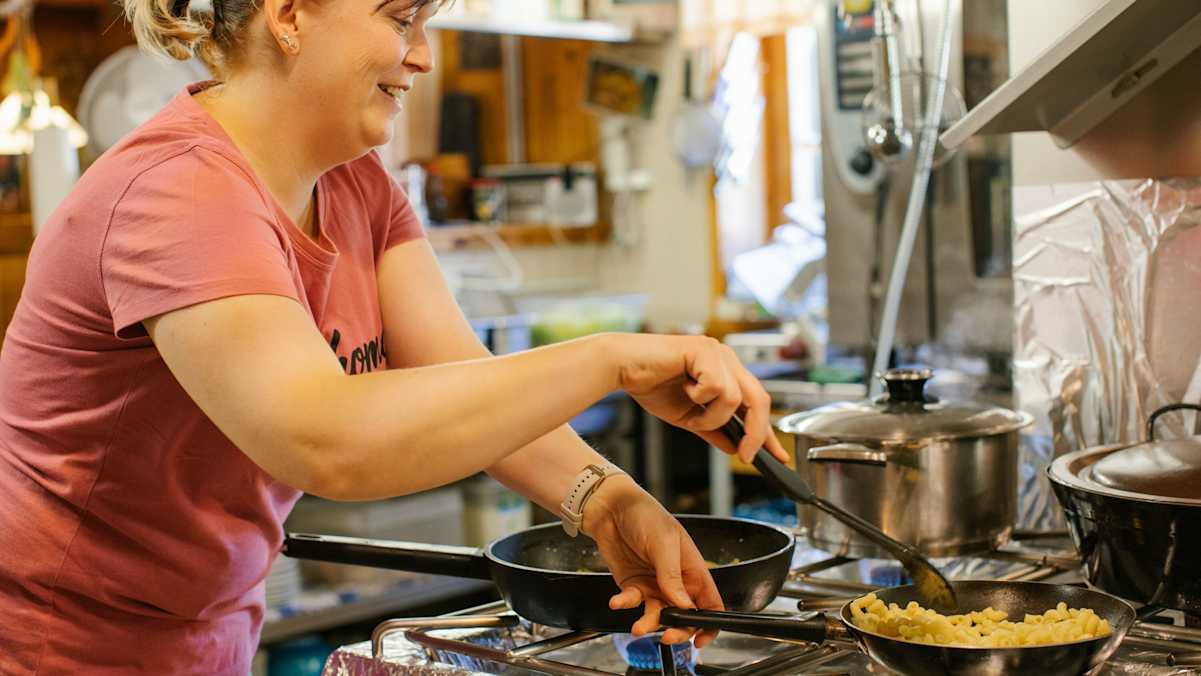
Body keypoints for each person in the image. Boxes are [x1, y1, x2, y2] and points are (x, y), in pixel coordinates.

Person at [0, 0, 789, 673]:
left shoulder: (355, 183)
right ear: (289, 15)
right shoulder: (178, 193)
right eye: (399, 16)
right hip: (54, 641)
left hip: (208, 626)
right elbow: (327, 440)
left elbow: (464, 385)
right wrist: (612, 358)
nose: (420, 55)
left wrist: (608, 500)